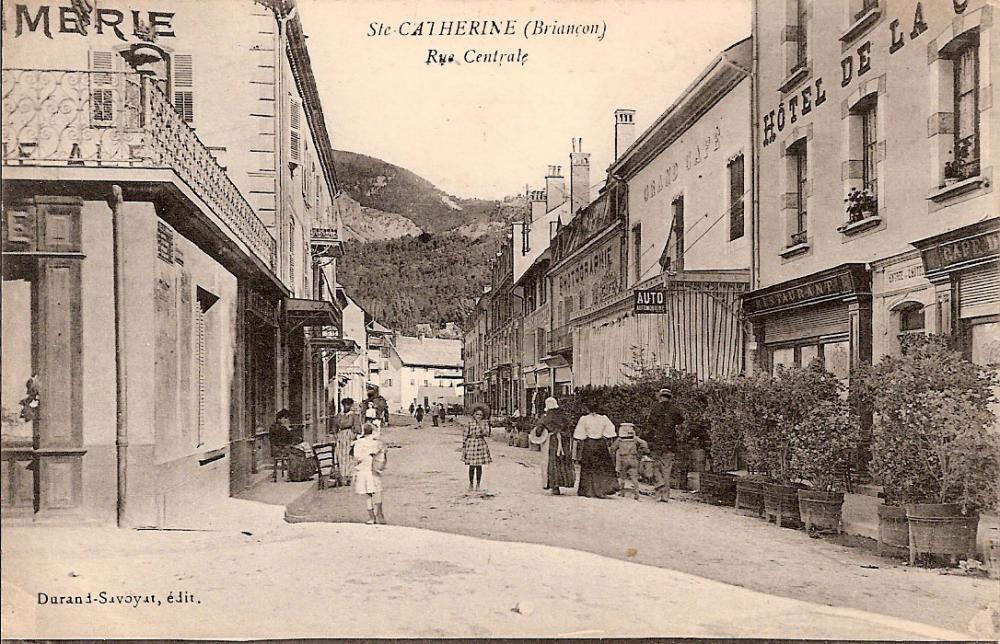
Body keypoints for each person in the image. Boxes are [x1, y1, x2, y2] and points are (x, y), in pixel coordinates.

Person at [572, 403, 620, 498]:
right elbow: (611, 430)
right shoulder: (603, 418)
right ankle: (602, 490)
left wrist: (583, 437)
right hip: (600, 444)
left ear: (588, 409)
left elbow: (579, 434)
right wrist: (604, 435)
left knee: (589, 466)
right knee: (601, 467)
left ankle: (588, 491)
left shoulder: (584, 419)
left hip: (589, 444)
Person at [645, 387, 684, 502]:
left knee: (655, 467)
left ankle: (658, 492)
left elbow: (649, 425)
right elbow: (681, 420)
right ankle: (665, 496)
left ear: (660, 396)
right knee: (667, 469)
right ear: (670, 397)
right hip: (670, 443)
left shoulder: (655, 408)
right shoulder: (675, 409)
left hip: (657, 443)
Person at [531, 396, 575, 495]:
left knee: (551, 462)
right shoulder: (563, 415)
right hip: (563, 441)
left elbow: (538, 431)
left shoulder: (546, 417)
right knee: (562, 461)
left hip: (551, 441)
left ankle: (553, 485)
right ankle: (564, 482)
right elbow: (569, 427)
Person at [353, 421, 388, 524]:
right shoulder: (376, 443)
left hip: (363, 470)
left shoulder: (358, 443)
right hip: (374, 471)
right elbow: (381, 456)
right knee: (377, 493)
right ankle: (380, 515)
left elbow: (356, 457)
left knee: (368, 495)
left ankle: (371, 517)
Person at [610, 422, 648, 501]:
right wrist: (641, 452)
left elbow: (613, 448)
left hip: (623, 458)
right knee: (634, 477)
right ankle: (636, 493)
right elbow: (644, 444)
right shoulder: (635, 439)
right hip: (633, 458)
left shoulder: (620, 440)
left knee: (622, 476)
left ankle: (622, 492)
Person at [330, 398, 361, 486]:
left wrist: (354, 436)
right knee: (340, 456)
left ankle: (349, 476)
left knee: (349, 456)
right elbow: (334, 427)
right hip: (341, 436)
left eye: (348, 405)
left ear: (351, 406)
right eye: (344, 405)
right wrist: (336, 436)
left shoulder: (354, 416)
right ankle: (342, 476)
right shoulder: (339, 415)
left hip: (349, 435)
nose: (346, 406)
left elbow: (357, 427)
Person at [462, 403, 492, 492]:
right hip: (471, 444)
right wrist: (464, 446)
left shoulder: (484, 423)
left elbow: (487, 433)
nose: (479, 416)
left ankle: (478, 484)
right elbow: (465, 435)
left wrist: (482, 427)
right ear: (474, 414)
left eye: (481, 415)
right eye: (477, 414)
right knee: (471, 466)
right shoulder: (469, 423)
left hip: (480, 444)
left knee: (479, 466)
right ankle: (471, 483)